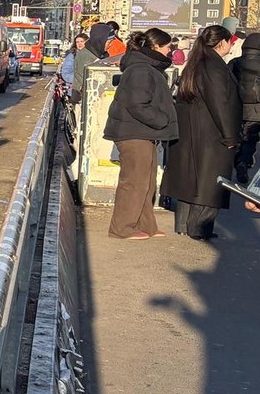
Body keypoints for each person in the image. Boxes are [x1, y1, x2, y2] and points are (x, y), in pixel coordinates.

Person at [161, 25, 245, 239]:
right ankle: (199, 227)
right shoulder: (213, 66)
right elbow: (220, 103)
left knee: (189, 181)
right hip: (211, 133)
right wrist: (230, 136)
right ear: (222, 42)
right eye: (230, 42)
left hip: (193, 130)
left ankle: (183, 224)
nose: (231, 46)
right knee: (211, 183)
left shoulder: (197, 62)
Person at [103, 28, 178, 239]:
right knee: (134, 182)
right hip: (133, 132)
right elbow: (137, 104)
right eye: (168, 47)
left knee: (146, 181)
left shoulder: (145, 67)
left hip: (141, 132)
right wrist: (162, 120)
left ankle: (146, 225)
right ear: (156, 47)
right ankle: (122, 228)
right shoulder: (141, 69)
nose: (170, 51)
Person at [230, 32, 260, 181]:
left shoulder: (235, 62)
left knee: (237, 135)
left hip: (237, 106)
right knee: (251, 137)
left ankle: (237, 160)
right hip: (258, 108)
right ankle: (243, 162)